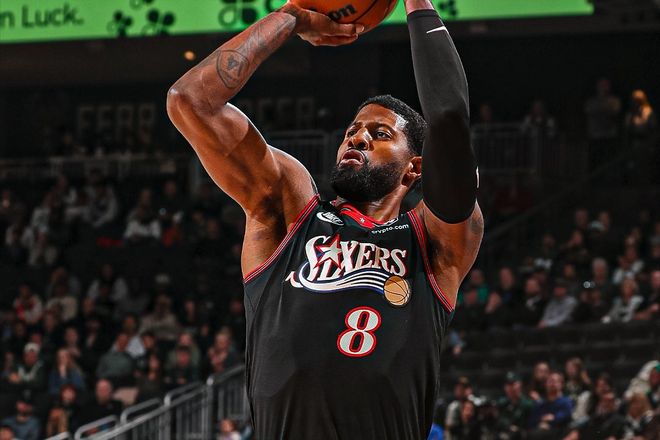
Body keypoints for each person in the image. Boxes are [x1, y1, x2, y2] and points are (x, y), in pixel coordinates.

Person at [167, 0, 483, 437]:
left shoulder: (433, 240)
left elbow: (449, 119)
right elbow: (190, 101)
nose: (358, 138)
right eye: (352, 130)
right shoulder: (289, 210)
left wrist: (417, 3)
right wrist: (291, 16)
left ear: (414, 168)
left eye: (380, 134)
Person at [496, 372, 533, 440]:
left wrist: (518, 429)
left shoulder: (528, 404)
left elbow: (530, 425)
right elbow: (499, 422)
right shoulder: (501, 403)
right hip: (504, 433)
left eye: (513, 384)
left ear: (520, 384)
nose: (510, 388)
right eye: (508, 385)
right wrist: (509, 427)